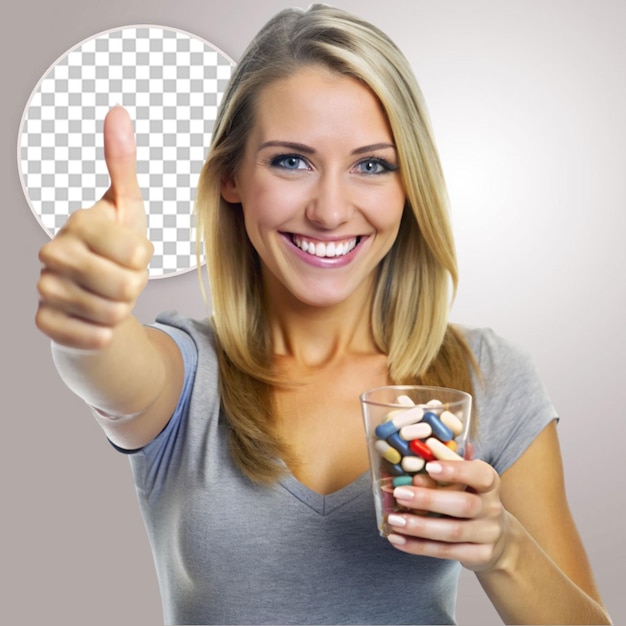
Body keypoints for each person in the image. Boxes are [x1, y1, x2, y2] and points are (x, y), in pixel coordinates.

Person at [35, 4, 611, 625]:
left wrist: (502, 550)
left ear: (408, 183)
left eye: (371, 165)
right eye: (291, 161)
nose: (331, 212)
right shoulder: (186, 377)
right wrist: (88, 313)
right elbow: (103, 362)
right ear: (231, 176)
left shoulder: (490, 377)